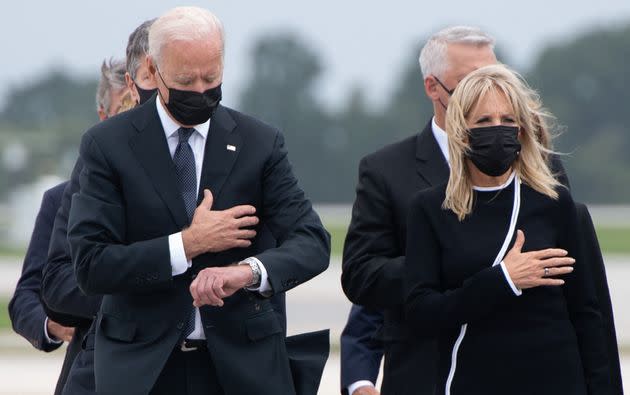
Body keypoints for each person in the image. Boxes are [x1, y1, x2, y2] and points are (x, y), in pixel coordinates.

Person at [67, 7, 330, 395]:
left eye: (212, 77)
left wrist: (248, 272)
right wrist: (187, 245)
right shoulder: (108, 146)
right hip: (144, 370)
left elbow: (312, 242)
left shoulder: (259, 143)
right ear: (153, 72)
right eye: (186, 80)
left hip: (241, 370)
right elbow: (91, 264)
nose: (201, 91)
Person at [403, 63, 611, 394]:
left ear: (522, 130)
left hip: (558, 381)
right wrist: (503, 280)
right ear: (461, 129)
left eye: (508, 120)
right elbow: (420, 314)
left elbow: (591, 315)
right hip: (473, 381)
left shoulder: (555, 203)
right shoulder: (431, 209)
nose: (497, 129)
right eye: (484, 121)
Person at [340, 26, 500, 395]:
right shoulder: (386, 171)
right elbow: (365, 277)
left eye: (492, 79)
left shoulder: (539, 167)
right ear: (433, 88)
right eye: (467, 83)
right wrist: (449, 263)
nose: (483, 93)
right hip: (425, 374)